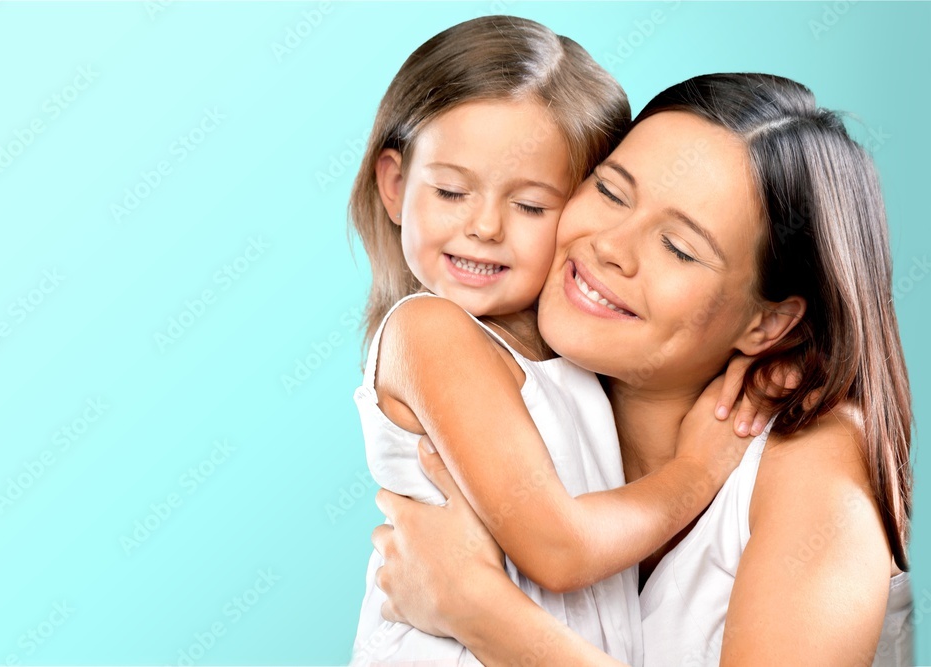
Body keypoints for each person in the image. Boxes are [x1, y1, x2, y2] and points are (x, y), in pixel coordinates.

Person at [372, 73, 914, 666]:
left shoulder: (812, 461)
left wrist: (479, 610)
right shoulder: (511, 390)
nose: (610, 246)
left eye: (679, 248)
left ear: (768, 323)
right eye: (610, 192)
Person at [348, 18, 771, 666]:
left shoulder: (577, 355)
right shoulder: (428, 331)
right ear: (395, 185)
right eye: (453, 190)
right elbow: (560, 550)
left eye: (531, 206)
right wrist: (695, 472)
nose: (484, 226)